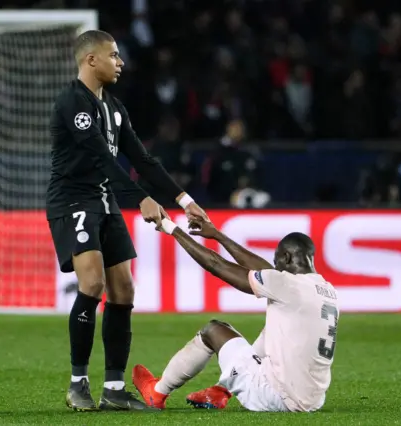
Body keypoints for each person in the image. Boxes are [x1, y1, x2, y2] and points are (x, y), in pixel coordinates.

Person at [46, 30, 209, 411]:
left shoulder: (114, 107)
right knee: (94, 281)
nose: (120, 62)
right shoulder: (74, 103)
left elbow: (141, 160)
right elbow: (102, 159)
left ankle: (115, 389)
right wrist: (141, 199)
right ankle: (78, 384)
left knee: (124, 293)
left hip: (104, 200)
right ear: (91, 60)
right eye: (114, 55)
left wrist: (186, 200)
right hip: (73, 200)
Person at [132, 219, 338, 412]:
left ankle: (157, 392)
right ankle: (220, 391)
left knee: (214, 330)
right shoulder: (326, 290)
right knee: (274, 330)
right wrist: (218, 236)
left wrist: (172, 229)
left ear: (286, 258)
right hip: (313, 400)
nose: (275, 268)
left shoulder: (287, 285)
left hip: (276, 395)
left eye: (277, 262)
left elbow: (216, 265)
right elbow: (266, 271)